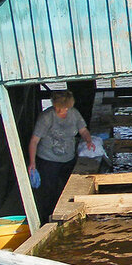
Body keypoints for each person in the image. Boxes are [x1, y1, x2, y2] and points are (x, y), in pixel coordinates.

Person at [28, 90, 95, 223]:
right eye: (59, 108)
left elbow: (83, 130)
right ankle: (48, 219)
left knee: (69, 189)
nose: (62, 111)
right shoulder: (46, 117)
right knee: (49, 192)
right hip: (48, 160)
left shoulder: (74, 113)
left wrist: (88, 140)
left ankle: (70, 217)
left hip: (68, 158)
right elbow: (34, 141)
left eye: (65, 108)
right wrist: (32, 162)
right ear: (54, 105)